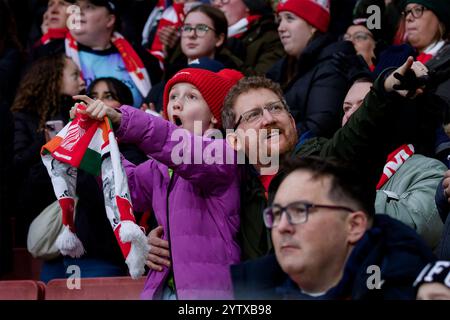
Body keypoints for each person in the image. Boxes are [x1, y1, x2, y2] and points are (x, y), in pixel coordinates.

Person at [73, 68, 243, 299]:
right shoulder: (160, 167)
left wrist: (123, 119)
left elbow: (178, 147)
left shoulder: (223, 153)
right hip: (164, 289)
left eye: (191, 96)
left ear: (215, 115)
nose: (177, 104)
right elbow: (127, 187)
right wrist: (92, 137)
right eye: (173, 97)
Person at [231, 156, 435, 299]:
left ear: (354, 226)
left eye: (300, 211)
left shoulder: (416, 289)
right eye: (276, 214)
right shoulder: (238, 287)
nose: (282, 227)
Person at [342, 77, 446, 249]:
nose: (350, 113)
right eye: (346, 108)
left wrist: (344, 193)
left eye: (364, 104)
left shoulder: (428, 170)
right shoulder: (327, 170)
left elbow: (417, 229)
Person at [11, 53, 86, 245]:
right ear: (53, 78)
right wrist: (45, 142)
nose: (82, 81)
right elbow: (15, 164)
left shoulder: (82, 112)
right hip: (38, 211)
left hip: (79, 208)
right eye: (74, 75)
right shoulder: (23, 116)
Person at [36, 0, 162, 108]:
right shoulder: (49, 54)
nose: (78, 12)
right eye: (76, 5)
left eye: (89, 7)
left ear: (110, 20)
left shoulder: (144, 60)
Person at [267, 0, 364, 138]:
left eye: (290, 18)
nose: (281, 27)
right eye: (280, 20)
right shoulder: (282, 68)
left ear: (313, 26)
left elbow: (318, 128)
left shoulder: (332, 65)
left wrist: (270, 140)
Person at [212, 0, 284, 75]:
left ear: (248, 5)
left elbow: (262, 82)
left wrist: (225, 54)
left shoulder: (270, 37)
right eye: (213, 0)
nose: (216, 4)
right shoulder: (210, 36)